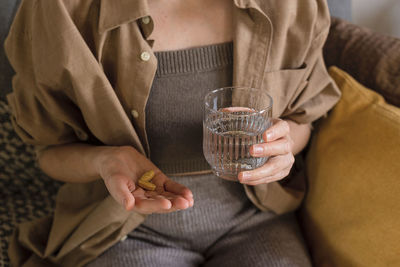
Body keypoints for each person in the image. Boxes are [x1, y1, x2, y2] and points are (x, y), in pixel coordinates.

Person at [5, 0, 341, 266]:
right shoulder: (62, 10)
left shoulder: (291, 6)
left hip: (258, 222)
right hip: (125, 231)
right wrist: (106, 160)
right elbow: (49, 153)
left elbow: (303, 118)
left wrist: (284, 145)